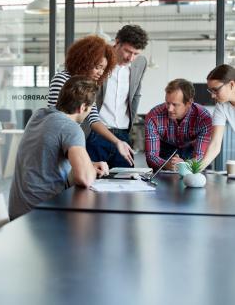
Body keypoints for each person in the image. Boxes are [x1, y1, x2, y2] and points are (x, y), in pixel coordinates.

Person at [9, 76, 109, 220]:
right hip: (42, 214)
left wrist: (90, 164)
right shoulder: (71, 128)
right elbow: (85, 178)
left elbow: (47, 157)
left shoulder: (38, 115)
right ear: (82, 108)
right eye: (90, 108)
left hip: (18, 212)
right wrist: (91, 170)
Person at [48, 35, 136, 166]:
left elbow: (94, 119)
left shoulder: (89, 86)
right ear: (84, 61)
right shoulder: (62, 79)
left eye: (103, 68)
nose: (101, 72)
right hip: (59, 143)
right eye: (97, 67)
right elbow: (55, 118)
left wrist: (117, 142)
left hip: (72, 142)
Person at [86, 25, 149, 168]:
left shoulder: (141, 63)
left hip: (123, 134)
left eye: (136, 53)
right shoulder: (99, 59)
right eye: (127, 51)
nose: (131, 58)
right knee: (93, 182)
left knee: (126, 183)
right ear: (117, 42)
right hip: (96, 133)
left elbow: (136, 93)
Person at [144, 78, 212, 171]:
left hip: (191, 151)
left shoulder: (203, 117)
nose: (170, 109)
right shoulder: (153, 116)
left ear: (189, 103)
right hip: (165, 153)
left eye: (175, 104)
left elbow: (200, 157)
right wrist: (167, 165)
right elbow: (151, 157)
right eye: (168, 103)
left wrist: (184, 165)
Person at [200, 64, 235, 169]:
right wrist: (197, 169)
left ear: (232, 85)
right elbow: (215, 144)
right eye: (211, 90)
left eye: (216, 90)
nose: (212, 95)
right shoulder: (221, 106)